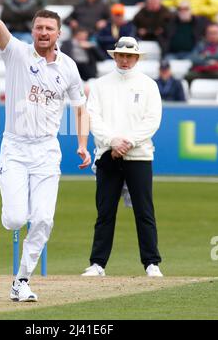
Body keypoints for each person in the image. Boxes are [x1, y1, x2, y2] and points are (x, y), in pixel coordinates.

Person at [0, 0, 91, 302]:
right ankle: (14, 219)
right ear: (32, 31)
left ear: (58, 34)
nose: (43, 32)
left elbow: (80, 106)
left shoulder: (69, 68)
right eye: (39, 27)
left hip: (46, 150)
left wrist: (81, 143)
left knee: (43, 219)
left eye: (50, 28)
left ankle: (22, 280)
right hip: (15, 147)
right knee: (16, 220)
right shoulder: (15, 52)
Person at [82, 36, 163, 278]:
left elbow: (152, 120)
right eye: (121, 55)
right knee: (105, 211)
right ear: (114, 56)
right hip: (108, 154)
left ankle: (151, 263)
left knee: (144, 211)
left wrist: (128, 142)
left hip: (138, 155)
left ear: (136, 58)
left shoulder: (148, 85)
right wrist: (112, 142)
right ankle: (98, 264)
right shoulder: (100, 85)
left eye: (130, 56)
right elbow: (92, 116)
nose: (125, 60)